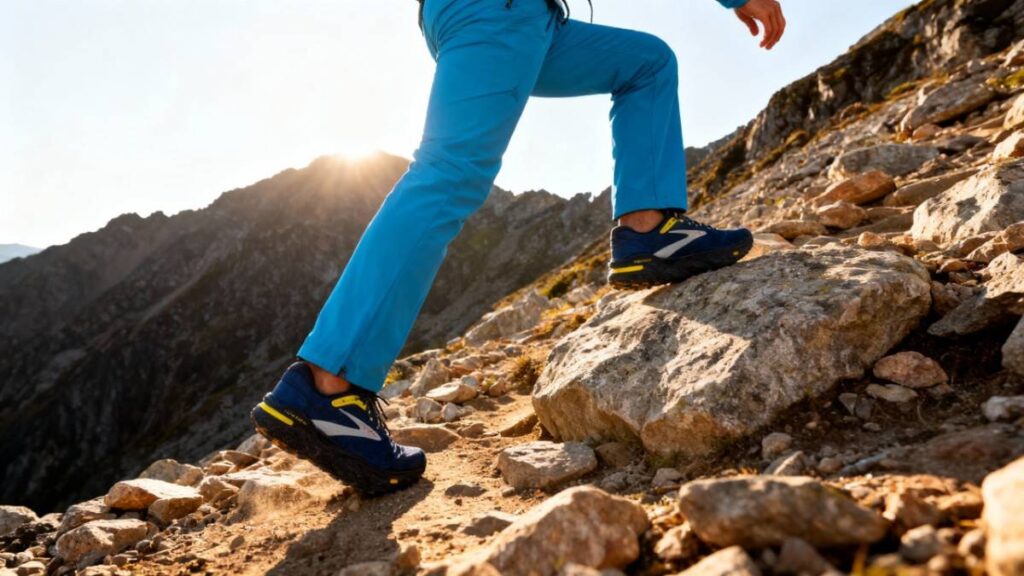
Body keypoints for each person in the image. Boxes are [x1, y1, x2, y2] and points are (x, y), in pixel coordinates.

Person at [251, 0, 787, 495]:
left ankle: (648, 232)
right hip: (497, 9)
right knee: (447, 175)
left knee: (646, 61)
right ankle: (328, 388)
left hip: (528, 19)